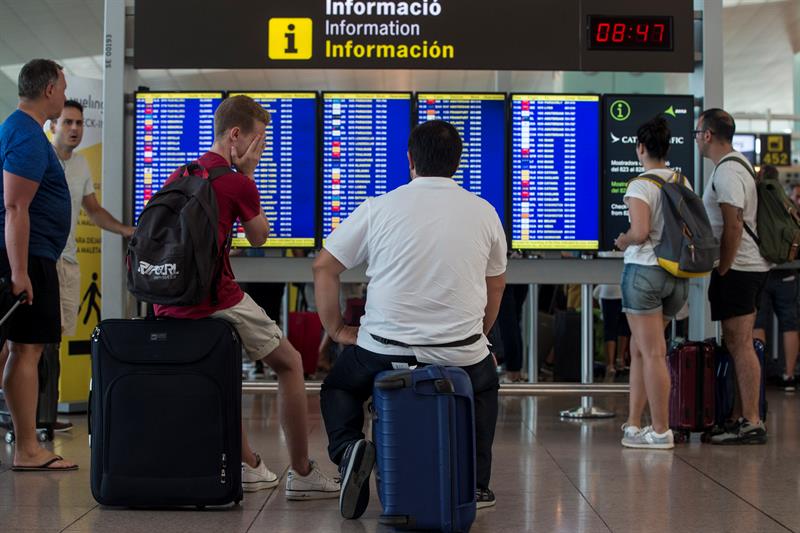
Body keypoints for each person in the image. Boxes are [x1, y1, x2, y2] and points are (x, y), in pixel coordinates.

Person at [314, 119, 506, 519]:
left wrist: (336, 329)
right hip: (461, 355)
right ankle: (476, 483)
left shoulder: (378, 207)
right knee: (485, 386)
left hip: (384, 350)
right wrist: (477, 337)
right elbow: (496, 286)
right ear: (457, 163)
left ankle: (348, 449)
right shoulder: (485, 212)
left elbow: (324, 267)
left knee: (338, 386)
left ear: (410, 160)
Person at [154, 95, 339, 498]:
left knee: (223, 375)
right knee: (290, 363)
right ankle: (302, 473)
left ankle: (250, 465)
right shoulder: (236, 181)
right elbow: (260, 236)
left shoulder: (182, 172)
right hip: (213, 298)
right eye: (260, 141)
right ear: (236, 136)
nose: (262, 150)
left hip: (168, 299)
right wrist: (248, 173)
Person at [0, 59, 76, 471]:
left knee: (21, 349)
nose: (63, 95)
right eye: (62, 87)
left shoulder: (22, 130)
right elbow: (15, 207)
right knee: (26, 349)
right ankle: (28, 450)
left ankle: (27, 446)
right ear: (48, 90)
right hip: (27, 257)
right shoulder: (26, 135)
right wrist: (19, 272)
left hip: (31, 254)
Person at [614, 116, 690, 450]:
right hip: (676, 277)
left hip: (644, 273)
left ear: (641, 148)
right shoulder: (681, 180)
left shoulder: (640, 185)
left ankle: (660, 431)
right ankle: (633, 424)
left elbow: (641, 232)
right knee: (640, 348)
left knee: (653, 352)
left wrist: (623, 240)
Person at [697, 108, 769, 445]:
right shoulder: (737, 165)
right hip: (745, 268)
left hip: (739, 269)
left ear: (708, 135)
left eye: (697, 133)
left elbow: (734, 225)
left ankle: (751, 420)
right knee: (738, 343)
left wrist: (723, 268)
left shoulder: (727, 172)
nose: (696, 140)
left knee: (740, 344)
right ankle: (740, 417)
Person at [753, 166, 798, 392]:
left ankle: (758, 378)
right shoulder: (786, 201)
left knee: (758, 322)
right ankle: (789, 375)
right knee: (790, 322)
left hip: (761, 268)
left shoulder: (757, 199)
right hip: (787, 271)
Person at [594, 284, 630, 380]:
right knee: (624, 327)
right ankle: (620, 359)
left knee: (609, 329)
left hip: (608, 292)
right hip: (626, 292)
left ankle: (610, 365)